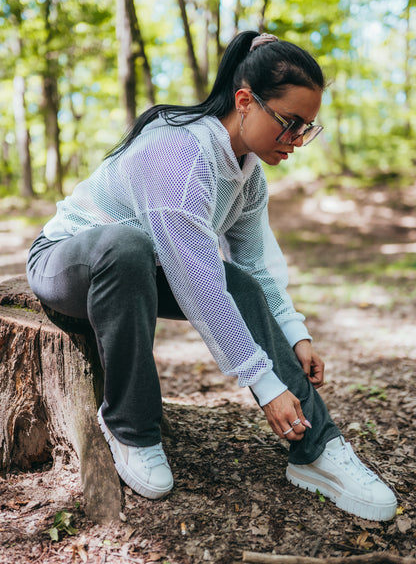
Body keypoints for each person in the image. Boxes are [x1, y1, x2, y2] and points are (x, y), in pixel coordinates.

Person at [27, 31, 397, 521]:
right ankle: (131, 427)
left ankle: (318, 449)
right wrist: (263, 384)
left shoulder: (248, 173)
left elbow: (253, 270)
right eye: (290, 124)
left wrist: (294, 333)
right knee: (128, 246)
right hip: (67, 264)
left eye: (308, 128)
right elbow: (199, 285)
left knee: (235, 282)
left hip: (144, 269)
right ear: (245, 101)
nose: (298, 141)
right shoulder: (177, 155)